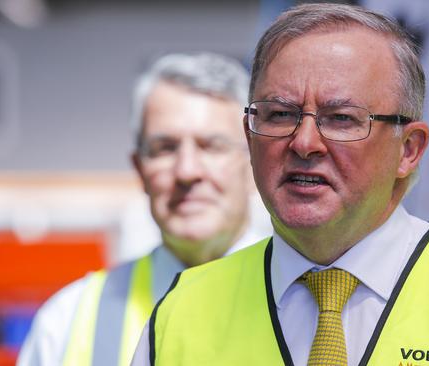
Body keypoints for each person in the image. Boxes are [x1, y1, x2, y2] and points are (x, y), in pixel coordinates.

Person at [132, 4, 429, 366]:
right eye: (279, 114)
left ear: (409, 150)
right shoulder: (180, 315)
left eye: (341, 119)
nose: (305, 142)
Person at [17, 52, 270, 366]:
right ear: (139, 169)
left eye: (211, 146)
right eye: (165, 148)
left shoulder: (317, 302)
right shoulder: (67, 321)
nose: (187, 171)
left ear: (254, 162)